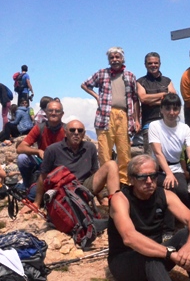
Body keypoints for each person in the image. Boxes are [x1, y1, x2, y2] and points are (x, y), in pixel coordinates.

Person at [81, 47, 140, 185]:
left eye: (117, 57)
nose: (114, 60)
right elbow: (85, 85)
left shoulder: (130, 75)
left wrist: (137, 120)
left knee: (124, 151)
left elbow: (135, 99)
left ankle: (124, 182)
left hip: (124, 115)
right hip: (105, 115)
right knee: (104, 152)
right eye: (112, 58)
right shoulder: (102, 73)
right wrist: (97, 96)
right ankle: (107, 183)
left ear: (122, 59)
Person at [148, 94, 190, 235]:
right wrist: (168, 174)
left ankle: (185, 220)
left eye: (175, 108)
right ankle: (168, 231)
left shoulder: (184, 128)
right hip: (157, 168)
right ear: (161, 109)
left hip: (175, 167)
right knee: (170, 188)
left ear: (179, 110)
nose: (171, 112)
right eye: (167, 108)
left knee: (184, 192)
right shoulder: (155, 126)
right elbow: (158, 153)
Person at [33, 120, 121, 209]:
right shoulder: (52, 150)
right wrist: (36, 203)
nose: (76, 133)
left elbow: (94, 173)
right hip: (64, 191)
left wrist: (101, 199)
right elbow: (43, 176)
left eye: (80, 130)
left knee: (112, 165)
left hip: (84, 188)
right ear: (65, 133)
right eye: (72, 130)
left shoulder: (90, 148)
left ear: (83, 134)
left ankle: (115, 203)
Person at [16, 99, 66, 189]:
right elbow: (20, 148)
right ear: (46, 113)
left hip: (62, 164)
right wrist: (38, 151)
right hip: (43, 162)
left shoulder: (67, 130)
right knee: (22, 158)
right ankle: (28, 186)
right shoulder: (40, 128)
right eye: (50, 111)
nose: (53, 113)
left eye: (57, 111)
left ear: (62, 114)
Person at [137, 52, 177, 155]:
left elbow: (173, 99)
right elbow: (143, 98)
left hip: (167, 122)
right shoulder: (140, 82)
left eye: (156, 63)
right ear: (145, 65)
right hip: (149, 123)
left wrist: (151, 100)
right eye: (150, 63)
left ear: (160, 64)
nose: (153, 65)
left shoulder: (167, 81)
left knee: (168, 154)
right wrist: (163, 95)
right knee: (150, 155)